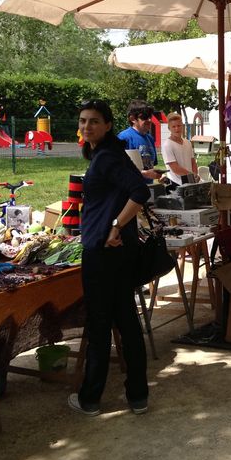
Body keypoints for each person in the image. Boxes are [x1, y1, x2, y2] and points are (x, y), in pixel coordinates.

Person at [68, 99, 150, 417]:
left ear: (108, 125)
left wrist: (116, 224)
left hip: (104, 252)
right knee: (126, 320)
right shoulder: (108, 153)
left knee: (101, 325)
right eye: (83, 121)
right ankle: (138, 395)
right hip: (116, 250)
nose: (86, 126)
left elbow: (139, 192)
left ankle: (91, 398)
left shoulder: (106, 157)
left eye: (94, 121)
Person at [117, 100, 161, 180]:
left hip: (149, 187)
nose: (149, 120)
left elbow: (151, 166)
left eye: (150, 116)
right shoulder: (123, 138)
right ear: (133, 119)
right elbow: (118, 168)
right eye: (145, 117)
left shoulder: (150, 138)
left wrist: (158, 175)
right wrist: (145, 174)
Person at [161, 112, 198, 187]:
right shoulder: (167, 145)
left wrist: (195, 175)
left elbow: (193, 162)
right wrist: (191, 175)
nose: (177, 129)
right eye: (173, 126)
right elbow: (175, 168)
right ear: (169, 128)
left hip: (190, 182)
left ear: (182, 126)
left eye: (179, 125)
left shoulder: (188, 143)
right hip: (176, 184)